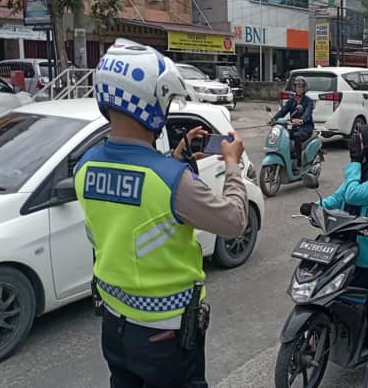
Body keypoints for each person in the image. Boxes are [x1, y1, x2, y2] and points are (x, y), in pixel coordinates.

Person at [74, 39, 248, 388]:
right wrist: (232, 166)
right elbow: (233, 221)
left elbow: (136, 194)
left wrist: (178, 158)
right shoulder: (173, 182)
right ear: (151, 103)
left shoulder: (85, 165)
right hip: (165, 336)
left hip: (114, 324)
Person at [315, 123, 368, 343]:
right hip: (352, 247)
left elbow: (354, 195)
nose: (357, 148)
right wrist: (316, 206)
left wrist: (353, 163)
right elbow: (340, 196)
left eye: (361, 143)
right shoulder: (364, 168)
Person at [270, 77, 314, 168]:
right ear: (294, 88)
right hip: (294, 127)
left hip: (305, 128)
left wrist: (302, 120)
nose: (299, 89)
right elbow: (283, 111)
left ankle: (298, 162)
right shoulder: (291, 100)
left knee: (297, 136)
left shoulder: (308, 101)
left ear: (304, 88)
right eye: (297, 86)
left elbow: (308, 113)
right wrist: (273, 119)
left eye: (301, 87)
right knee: (282, 135)